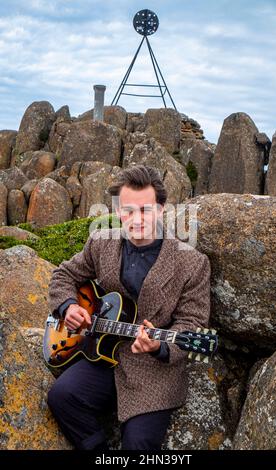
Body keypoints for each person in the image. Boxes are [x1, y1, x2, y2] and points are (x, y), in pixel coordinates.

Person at [47, 164, 211, 450]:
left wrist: (158, 347)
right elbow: (64, 275)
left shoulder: (192, 262)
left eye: (145, 210)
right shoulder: (101, 242)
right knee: (62, 397)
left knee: (138, 443)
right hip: (103, 354)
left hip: (154, 369)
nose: (136, 219)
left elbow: (193, 322)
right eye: (127, 210)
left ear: (161, 209)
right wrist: (68, 306)